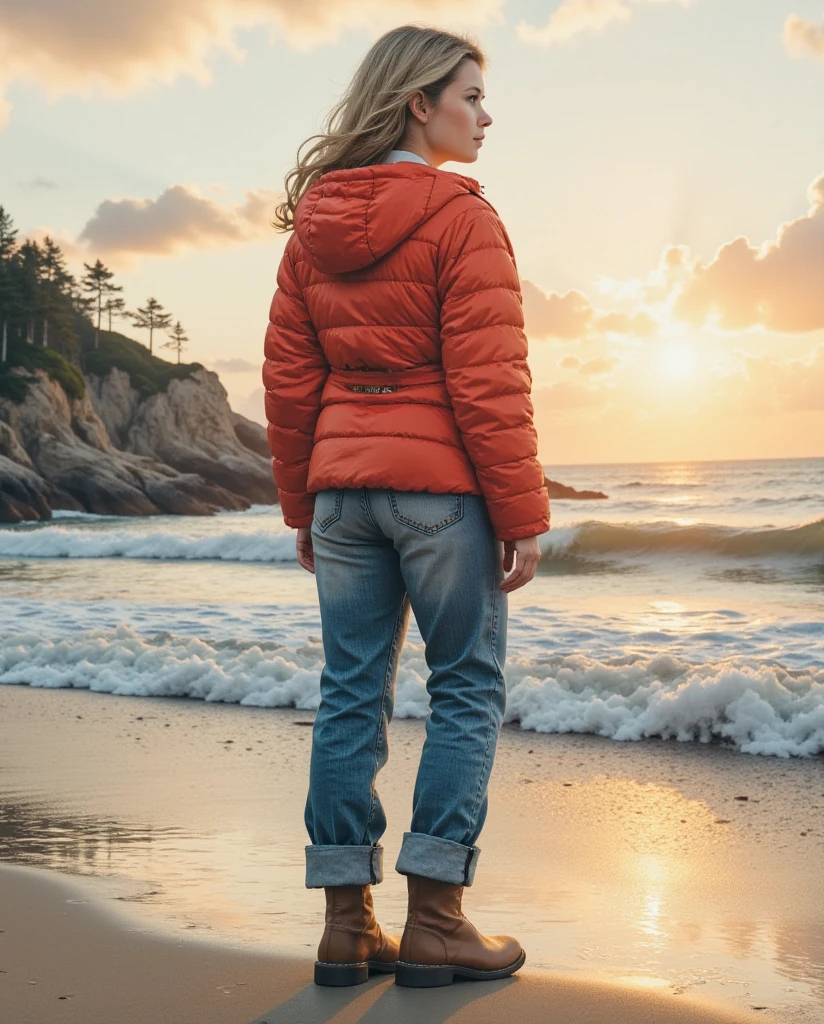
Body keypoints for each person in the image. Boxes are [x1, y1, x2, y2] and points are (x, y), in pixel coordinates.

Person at [262, 23, 550, 989]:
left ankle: (349, 927)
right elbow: (488, 383)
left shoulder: (315, 226)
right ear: (417, 103)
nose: (486, 114)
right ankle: (437, 919)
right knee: (466, 686)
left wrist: (304, 500)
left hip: (344, 494)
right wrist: (523, 511)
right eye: (470, 95)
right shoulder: (462, 217)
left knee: (351, 692)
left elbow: (291, 384)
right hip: (440, 497)